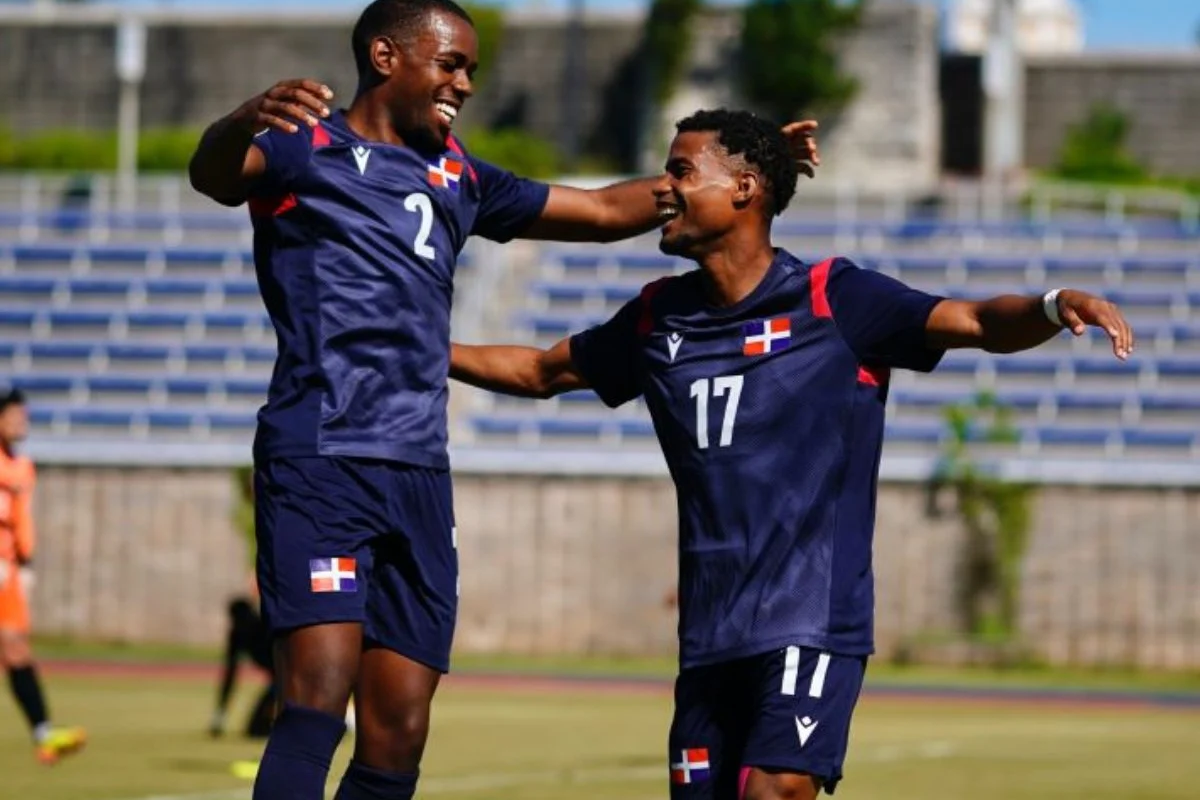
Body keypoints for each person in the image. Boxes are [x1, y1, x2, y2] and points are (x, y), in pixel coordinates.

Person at [187, 1, 820, 797]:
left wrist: (752, 166)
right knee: (317, 693)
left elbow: (595, 212)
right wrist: (239, 120)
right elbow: (213, 176)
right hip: (322, 453)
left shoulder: (460, 174)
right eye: (451, 63)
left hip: (418, 467)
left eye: (472, 70)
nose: (465, 83)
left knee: (399, 731)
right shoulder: (300, 149)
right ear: (386, 56)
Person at [448, 108, 1134, 800]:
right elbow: (540, 372)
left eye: (681, 171)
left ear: (744, 190)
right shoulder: (657, 317)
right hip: (710, 637)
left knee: (774, 789)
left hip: (811, 623)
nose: (663, 189)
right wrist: (425, 349)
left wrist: (1051, 305)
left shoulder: (833, 298)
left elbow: (977, 321)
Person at [0, 388, 87, 765]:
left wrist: (25, 564)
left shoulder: (23, 467)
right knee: (11, 645)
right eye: (15, 416)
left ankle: (43, 733)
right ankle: (44, 732)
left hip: (10, 571)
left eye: (24, 417)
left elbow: (21, 521)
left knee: (17, 648)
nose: (22, 423)